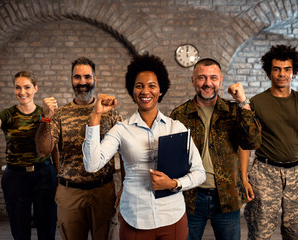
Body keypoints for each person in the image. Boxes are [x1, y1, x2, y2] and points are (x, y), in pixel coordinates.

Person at [82, 53, 206, 240]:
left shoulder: (176, 128)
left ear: (160, 90)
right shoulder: (121, 129)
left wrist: (174, 184)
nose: (145, 91)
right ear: (132, 91)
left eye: (152, 86)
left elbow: (199, 173)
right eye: (139, 86)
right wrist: (95, 116)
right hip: (135, 217)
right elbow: (91, 165)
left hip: (172, 216)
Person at [244, 45, 298, 240]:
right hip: (265, 173)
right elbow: (245, 142)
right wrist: (243, 177)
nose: (282, 74)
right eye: (276, 69)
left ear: (293, 72)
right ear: (269, 72)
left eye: (287, 69)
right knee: (260, 233)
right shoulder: (257, 102)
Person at [170, 58, 262, 240]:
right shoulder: (179, 115)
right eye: (202, 78)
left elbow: (252, 142)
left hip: (227, 196)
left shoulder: (235, 111)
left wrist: (243, 101)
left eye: (213, 78)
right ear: (193, 81)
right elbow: (174, 157)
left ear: (220, 80)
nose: (207, 83)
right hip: (191, 198)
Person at [35, 57, 122, 240]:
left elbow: (124, 153)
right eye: (77, 77)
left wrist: (125, 186)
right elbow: (43, 150)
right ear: (71, 79)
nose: (82, 82)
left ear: (95, 79)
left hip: (103, 190)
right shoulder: (59, 114)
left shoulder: (111, 114)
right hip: (70, 193)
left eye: (87, 77)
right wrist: (45, 118)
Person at [0, 71, 57, 240]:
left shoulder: (46, 112)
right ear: (13, 89)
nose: (22, 92)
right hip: (16, 177)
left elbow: (53, 148)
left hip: (44, 174)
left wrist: (58, 175)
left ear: (35, 88)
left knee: (47, 230)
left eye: (27, 87)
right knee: (20, 232)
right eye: (17, 88)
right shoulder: (8, 115)